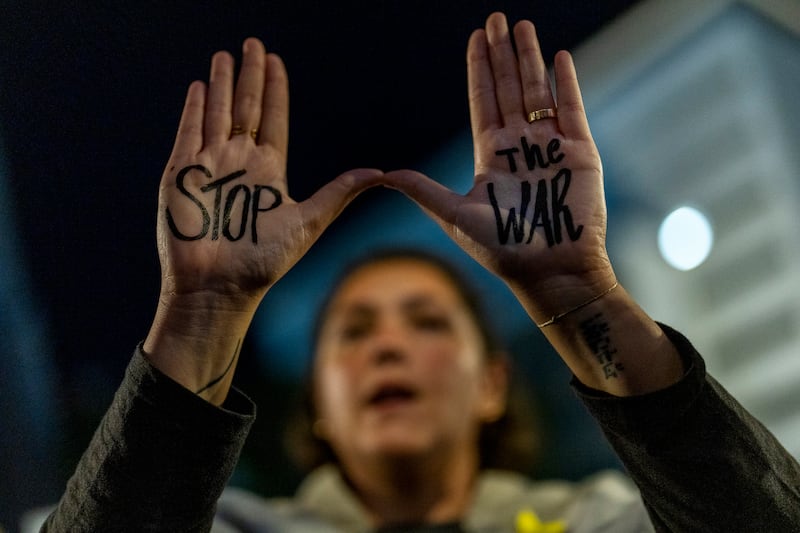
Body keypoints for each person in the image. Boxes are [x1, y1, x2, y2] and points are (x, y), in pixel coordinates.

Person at [42, 12, 800, 533]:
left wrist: (580, 292)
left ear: (494, 383)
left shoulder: (601, 518)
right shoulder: (227, 524)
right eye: (355, 331)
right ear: (319, 406)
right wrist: (201, 313)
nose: (389, 346)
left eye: (429, 321)